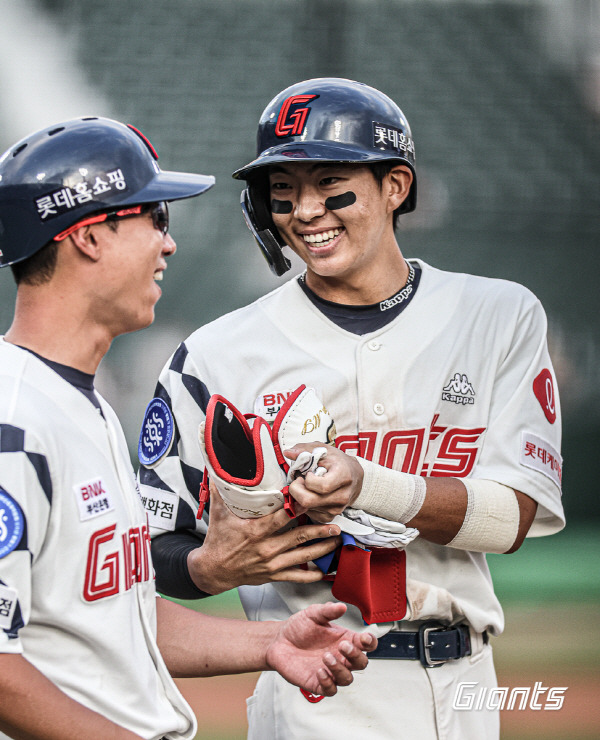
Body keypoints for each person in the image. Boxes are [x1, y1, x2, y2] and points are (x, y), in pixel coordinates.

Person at [139, 78, 565, 740]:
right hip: (310, 689)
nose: (306, 210)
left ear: (395, 186)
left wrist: (368, 484)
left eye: (330, 181)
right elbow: (154, 541)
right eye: (284, 189)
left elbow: (514, 516)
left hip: (465, 688)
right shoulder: (217, 354)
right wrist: (206, 568)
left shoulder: (498, 315)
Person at [0, 115, 378, 740]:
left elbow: (113, 613)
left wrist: (272, 641)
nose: (168, 244)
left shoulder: (77, 402)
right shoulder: (14, 419)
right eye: (156, 217)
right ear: (90, 236)